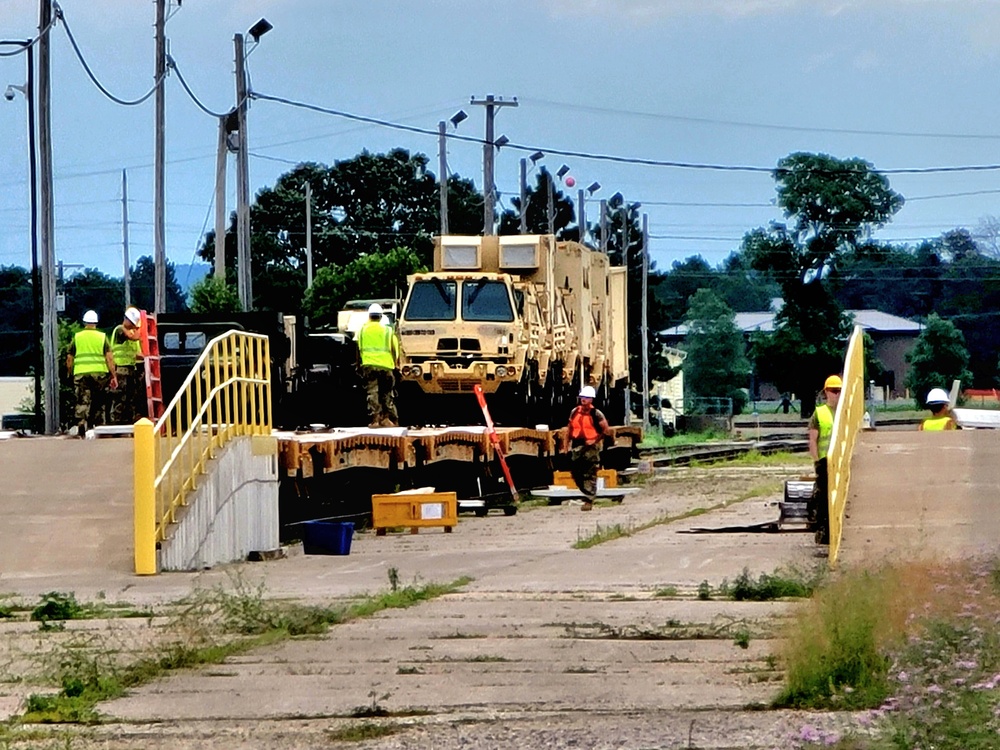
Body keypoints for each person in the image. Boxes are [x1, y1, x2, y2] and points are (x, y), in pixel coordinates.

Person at [66, 309, 117, 437]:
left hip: (81, 373)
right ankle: (98, 426)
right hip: (99, 374)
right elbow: (109, 358)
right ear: (96, 323)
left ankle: (82, 422)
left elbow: (69, 358)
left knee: (82, 400)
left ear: (84, 323)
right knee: (99, 401)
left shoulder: (77, 337)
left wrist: (70, 372)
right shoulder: (102, 337)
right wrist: (113, 375)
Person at [807, 374, 841, 545]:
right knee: (824, 499)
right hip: (825, 462)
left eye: (840, 391)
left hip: (842, 461)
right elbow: (813, 439)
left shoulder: (846, 413)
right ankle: (823, 530)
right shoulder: (819, 413)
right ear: (826, 392)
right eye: (834, 391)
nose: (838, 394)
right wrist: (816, 461)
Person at [567, 385, 610, 511]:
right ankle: (587, 493)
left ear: (591, 399)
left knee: (589, 473)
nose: (583, 400)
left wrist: (595, 440)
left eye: (586, 397)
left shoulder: (596, 414)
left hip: (590, 448)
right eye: (582, 397)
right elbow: (569, 429)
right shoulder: (574, 412)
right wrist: (566, 446)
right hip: (576, 446)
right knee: (576, 472)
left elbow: (606, 430)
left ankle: (589, 499)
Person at [357, 302, 399, 427]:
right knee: (386, 393)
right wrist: (395, 363)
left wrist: (359, 365)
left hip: (369, 365)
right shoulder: (388, 330)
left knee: (372, 393)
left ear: (369, 316)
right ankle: (388, 419)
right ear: (381, 316)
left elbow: (358, 349)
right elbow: (394, 349)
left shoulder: (362, 330)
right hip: (386, 366)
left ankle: (375, 420)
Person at [108, 307, 144, 425]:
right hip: (121, 371)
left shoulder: (132, 335)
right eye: (133, 323)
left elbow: (136, 354)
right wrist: (142, 328)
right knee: (120, 399)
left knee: (130, 399)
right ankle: (116, 424)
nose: (134, 326)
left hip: (130, 371)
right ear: (126, 319)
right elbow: (133, 337)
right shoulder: (120, 330)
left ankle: (126, 423)